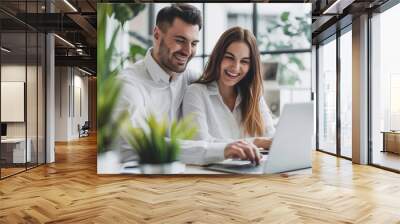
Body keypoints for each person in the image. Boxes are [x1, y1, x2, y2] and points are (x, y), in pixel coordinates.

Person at [114, 4, 262, 165]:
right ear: (157, 34)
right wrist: (221, 150)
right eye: (180, 40)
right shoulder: (127, 84)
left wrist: (256, 142)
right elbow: (133, 146)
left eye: (193, 43)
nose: (187, 51)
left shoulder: (191, 78)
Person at [182, 27, 276, 150]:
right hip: (214, 169)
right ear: (218, 57)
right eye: (229, 57)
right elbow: (199, 144)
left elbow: (271, 138)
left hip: (255, 167)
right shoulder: (196, 93)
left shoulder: (254, 96)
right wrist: (256, 142)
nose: (235, 67)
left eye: (244, 61)